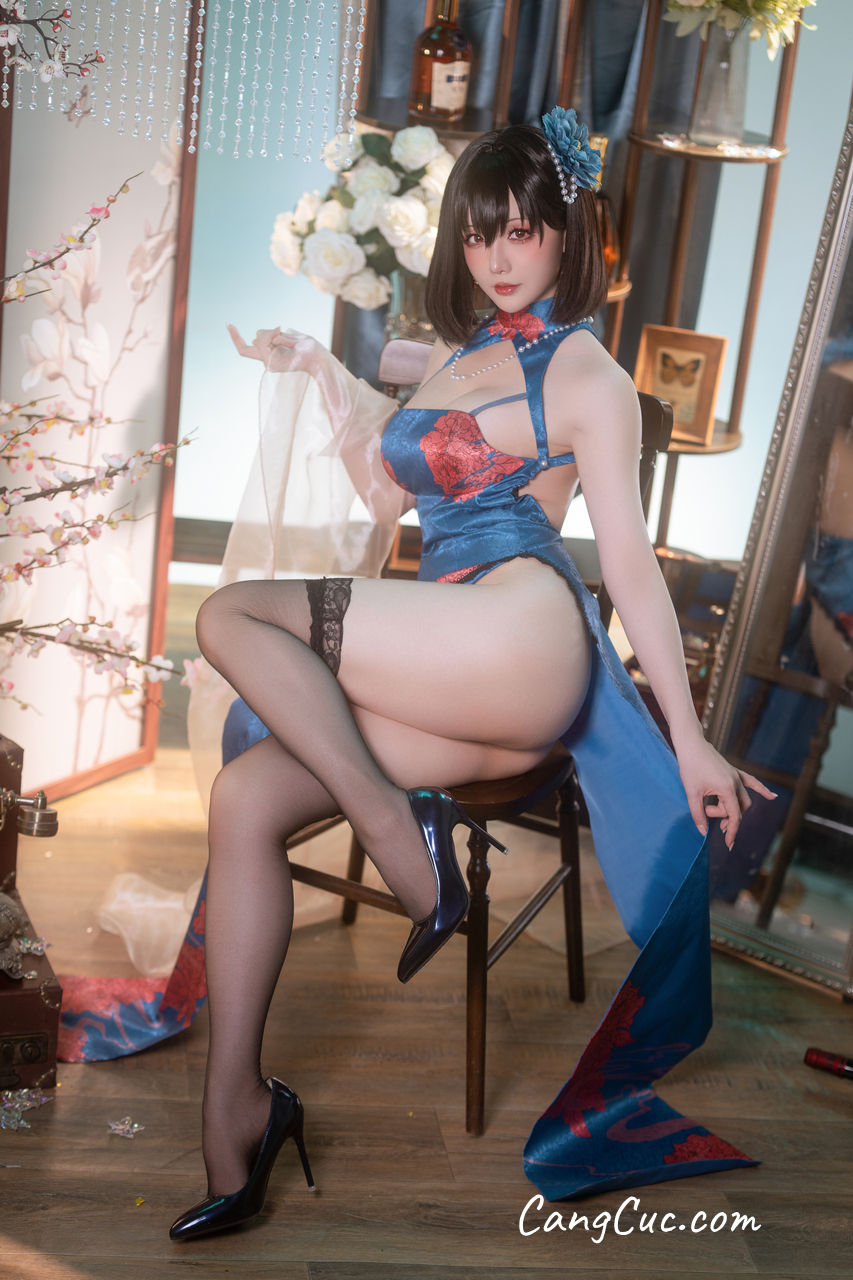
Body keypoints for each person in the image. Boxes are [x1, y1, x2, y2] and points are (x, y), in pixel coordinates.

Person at [169, 109, 773, 1242]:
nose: (499, 256)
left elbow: (631, 568)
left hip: (522, 632)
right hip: (452, 656)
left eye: (523, 232)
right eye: (480, 233)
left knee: (231, 611)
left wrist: (688, 737)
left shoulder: (585, 370)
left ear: (566, 237)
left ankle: (409, 849)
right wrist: (315, 370)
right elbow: (387, 492)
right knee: (243, 798)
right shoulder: (446, 357)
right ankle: (237, 1112)